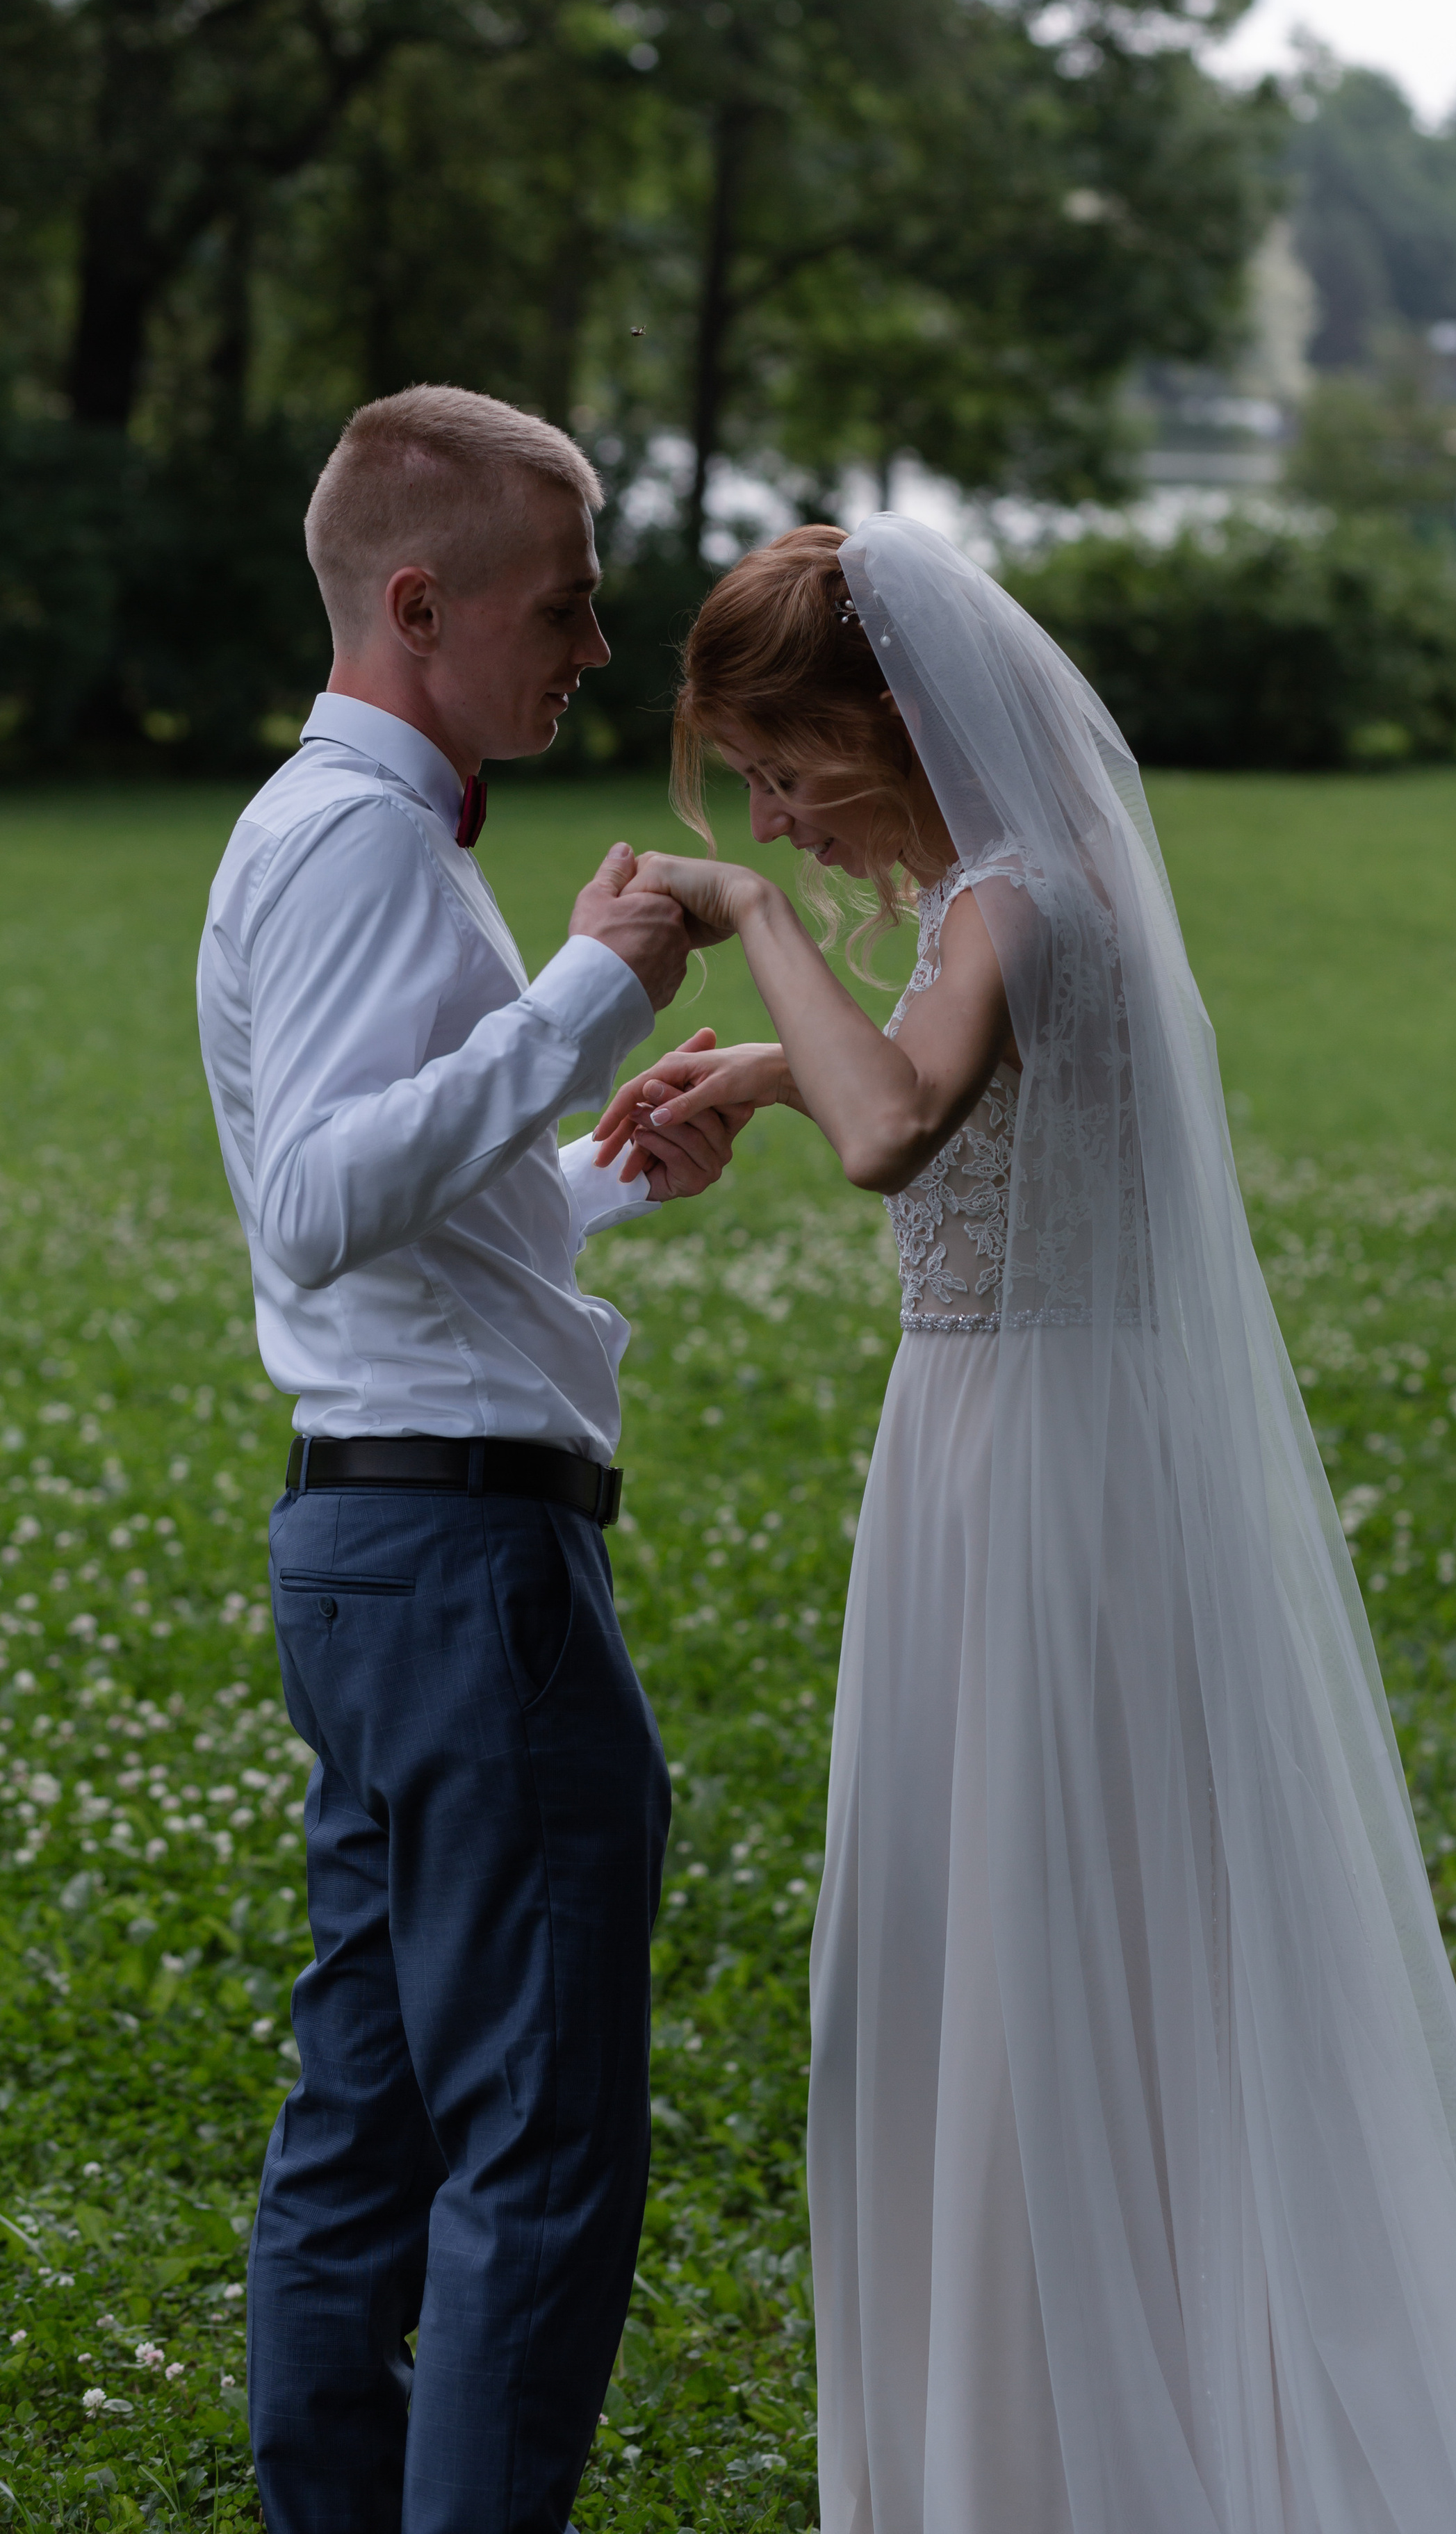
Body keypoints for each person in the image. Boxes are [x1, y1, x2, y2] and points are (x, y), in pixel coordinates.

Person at [594, 518, 1456, 2534]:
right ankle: (1045, 2409)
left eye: (796, 767)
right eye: (763, 793)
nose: (787, 814)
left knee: (1035, 1930)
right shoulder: (1020, 896)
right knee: (1009, 1934)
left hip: (1038, 1474)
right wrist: (760, 1072)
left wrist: (748, 929)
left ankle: (1056, 2445)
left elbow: (901, 1130)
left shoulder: (1017, 901)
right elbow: (926, 1103)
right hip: (1009, 1451)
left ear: (901, 721)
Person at [195, 386, 749, 2534]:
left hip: (383, 1542)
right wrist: (586, 1001)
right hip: (459, 1576)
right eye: (569, 604)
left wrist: (599, 1176)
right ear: (421, 603)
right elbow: (318, 1204)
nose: (597, 650)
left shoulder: (338, 828)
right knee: (536, 2143)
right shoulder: (352, 839)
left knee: (378, 2111)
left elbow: (392, 1238)